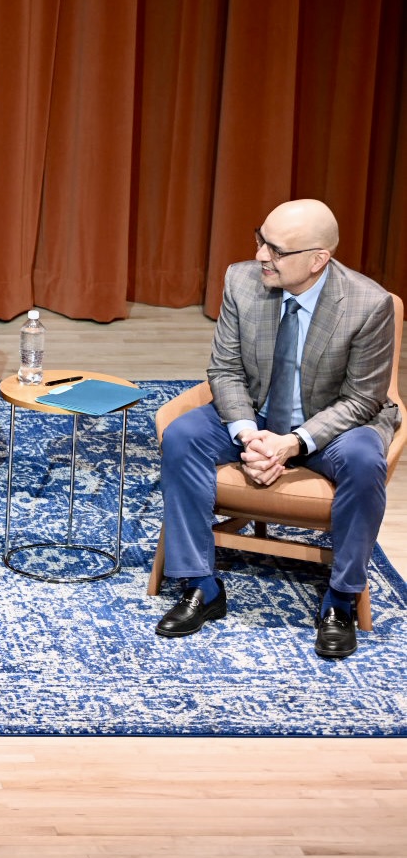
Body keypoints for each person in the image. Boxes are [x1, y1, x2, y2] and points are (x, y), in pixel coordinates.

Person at [156, 199, 398, 659]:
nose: (261, 255)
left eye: (276, 249)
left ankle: (342, 600)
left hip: (333, 423)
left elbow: (364, 399)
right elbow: (224, 370)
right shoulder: (242, 280)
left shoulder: (369, 304)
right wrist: (250, 435)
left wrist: (292, 443)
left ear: (318, 259)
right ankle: (201, 586)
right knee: (183, 437)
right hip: (260, 414)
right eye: (260, 239)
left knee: (367, 460)